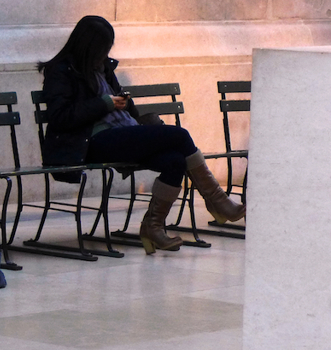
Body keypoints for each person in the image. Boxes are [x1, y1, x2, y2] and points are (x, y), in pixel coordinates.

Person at [38, 15, 246, 254]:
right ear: (89, 47)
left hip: (122, 133)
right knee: (179, 136)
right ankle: (217, 200)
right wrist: (104, 103)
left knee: (174, 161)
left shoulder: (102, 67)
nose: (105, 55)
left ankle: (153, 226)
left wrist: (124, 103)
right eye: (102, 50)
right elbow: (60, 117)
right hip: (90, 142)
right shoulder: (61, 71)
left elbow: (121, 105)